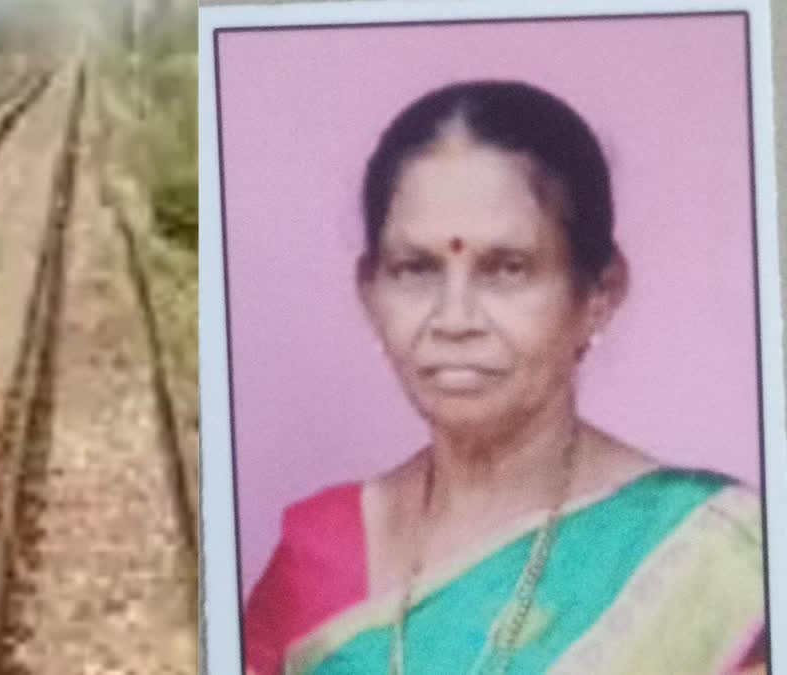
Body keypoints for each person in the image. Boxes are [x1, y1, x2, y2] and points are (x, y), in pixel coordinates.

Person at [240, 81, 766, 675]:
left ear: (599, 292)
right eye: (415, 269)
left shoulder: (712, 557)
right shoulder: (316, 555)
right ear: (370, 292)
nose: (454, 319)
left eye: (507, 269)